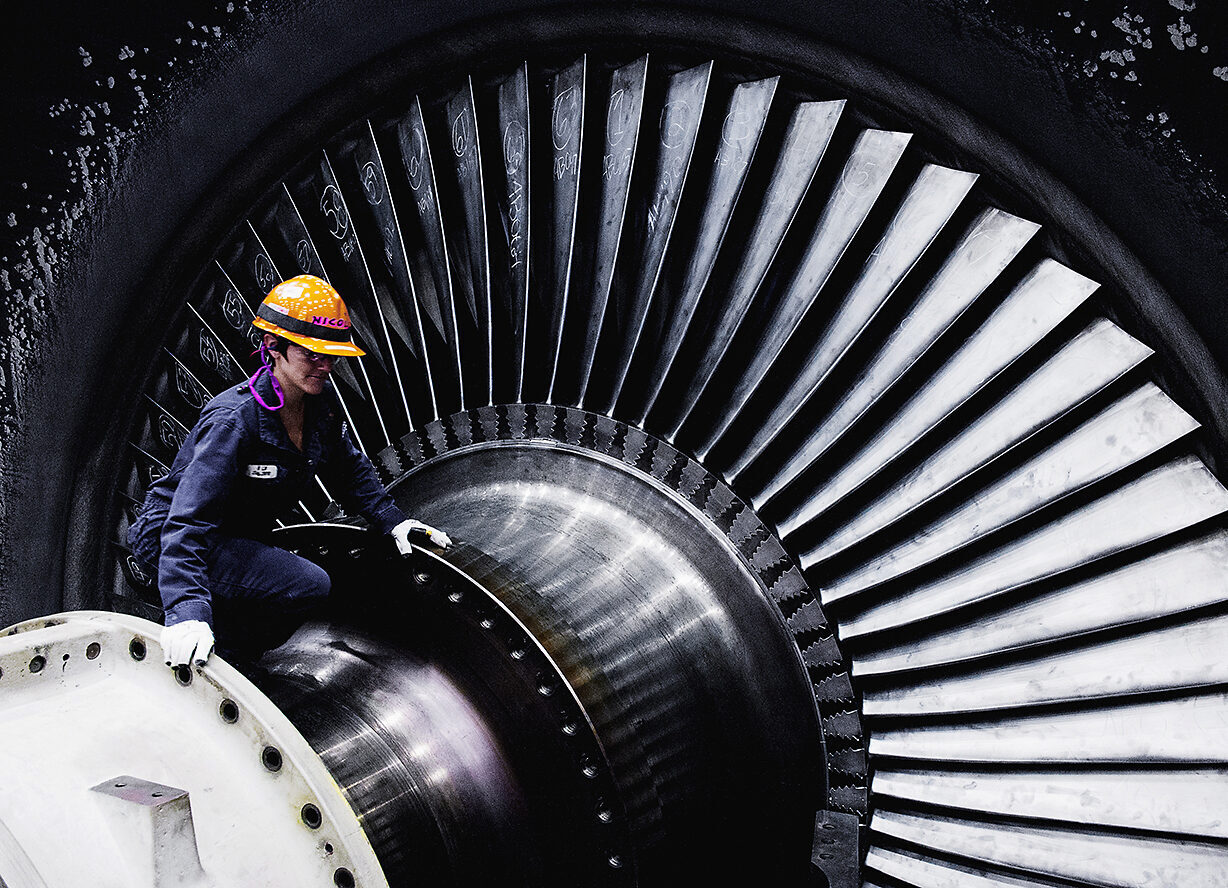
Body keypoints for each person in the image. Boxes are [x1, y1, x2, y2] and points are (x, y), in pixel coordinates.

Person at [127, 274, 450, 670]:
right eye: (312, 354)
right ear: (273, 347)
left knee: (304, 588)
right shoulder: (234, 421)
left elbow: (348, 469)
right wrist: (186, 611)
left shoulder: (319, 407)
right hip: (175, 542)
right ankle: (221, 659)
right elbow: (187, 521)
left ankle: (232, 653)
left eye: (331, 355)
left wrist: (393, 522)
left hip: (233, 538)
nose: (325, 365)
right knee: (305, 584)